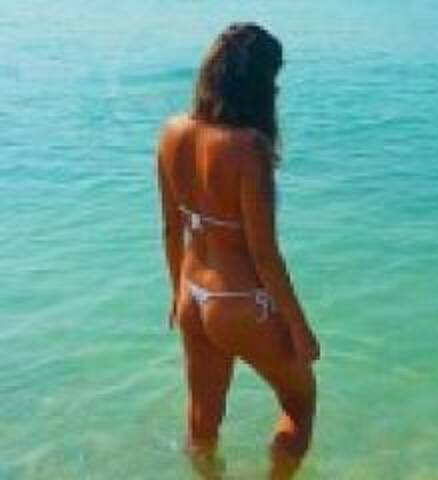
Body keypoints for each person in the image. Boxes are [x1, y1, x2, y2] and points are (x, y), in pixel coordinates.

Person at [156, 23, 320, 480]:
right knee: (300, 404)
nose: (277, 89)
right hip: (241, 302)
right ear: (258, 83)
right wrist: (299, 327)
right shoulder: (250, 149)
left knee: (202, 420)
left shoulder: (171, 132)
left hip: (192, 295)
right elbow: (265, 255)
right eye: (274, 78)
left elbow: (170, 228)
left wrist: (176, 294)